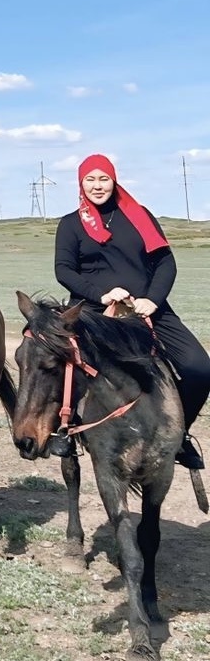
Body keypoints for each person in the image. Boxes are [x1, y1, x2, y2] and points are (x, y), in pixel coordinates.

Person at [55, 153, 210, 470]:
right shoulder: (71, 224)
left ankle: (178, 436)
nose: (98, 186)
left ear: (114, 180)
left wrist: (152, 299)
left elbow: (165, 262)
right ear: (81, 183)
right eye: (91, 179)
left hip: (146, 309)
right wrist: (102, 293)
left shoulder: (139, 215)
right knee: (57, 364)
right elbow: (64, 270)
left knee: (200, 368)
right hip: (94, 311)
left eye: (104, 179)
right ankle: (64, 432)